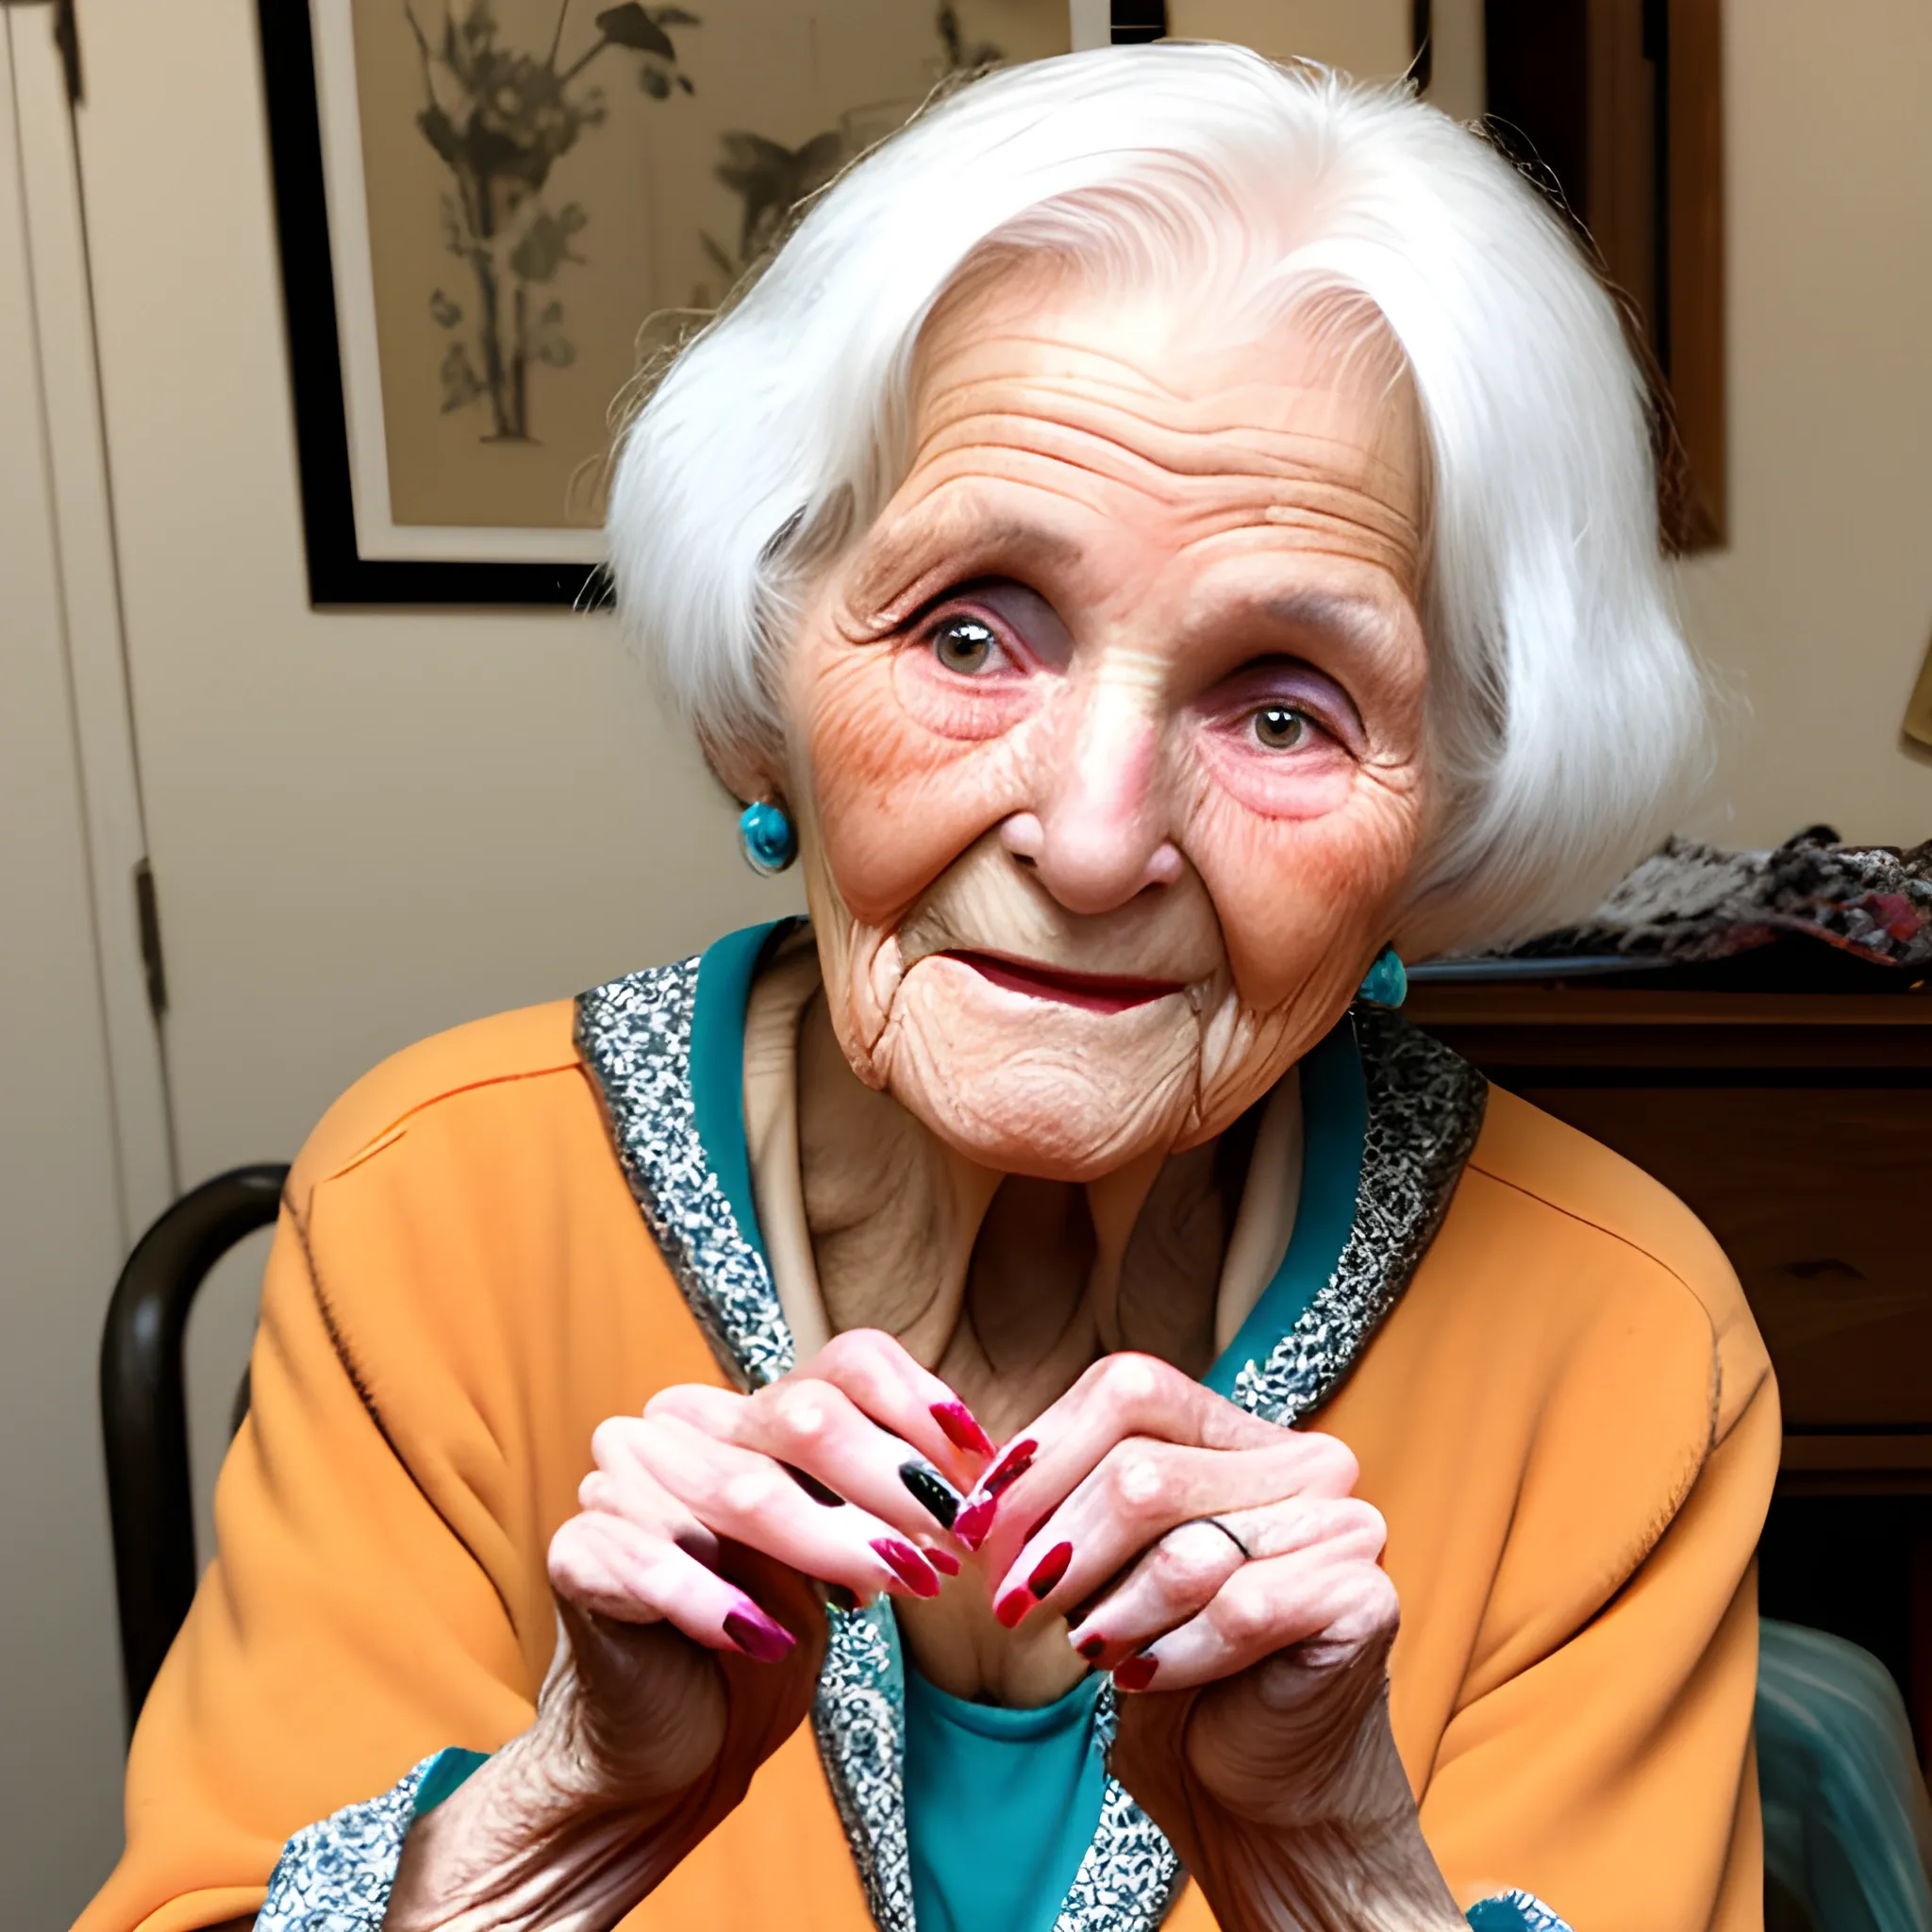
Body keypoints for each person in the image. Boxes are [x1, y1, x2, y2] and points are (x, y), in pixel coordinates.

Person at [77, 43, 1776, 1932]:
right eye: (971, 628)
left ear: (1445, 818)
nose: (1090, 832)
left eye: (1284, 703)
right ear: (767, 668)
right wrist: (556, 1825)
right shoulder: (434, 1213)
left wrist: (1323, 1868)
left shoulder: (1618, 1341)